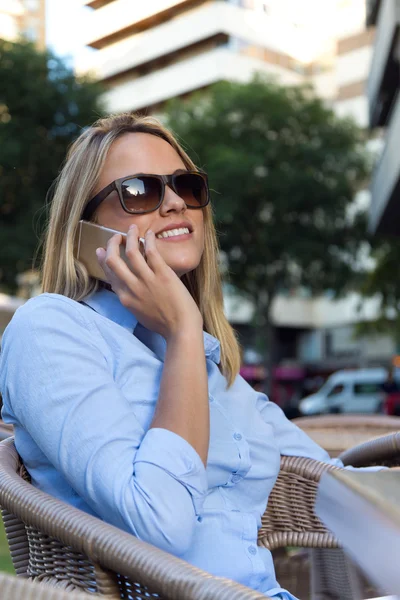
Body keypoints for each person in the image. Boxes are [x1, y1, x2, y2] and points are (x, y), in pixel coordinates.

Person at [0, 114, 386, 600]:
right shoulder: (51, 330)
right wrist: (183, 330)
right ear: (86, 230)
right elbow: (160, 522)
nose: (176, 203)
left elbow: (342, 482)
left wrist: (185, 338)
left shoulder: (208, 363)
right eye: (140, 190)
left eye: (186, 185)